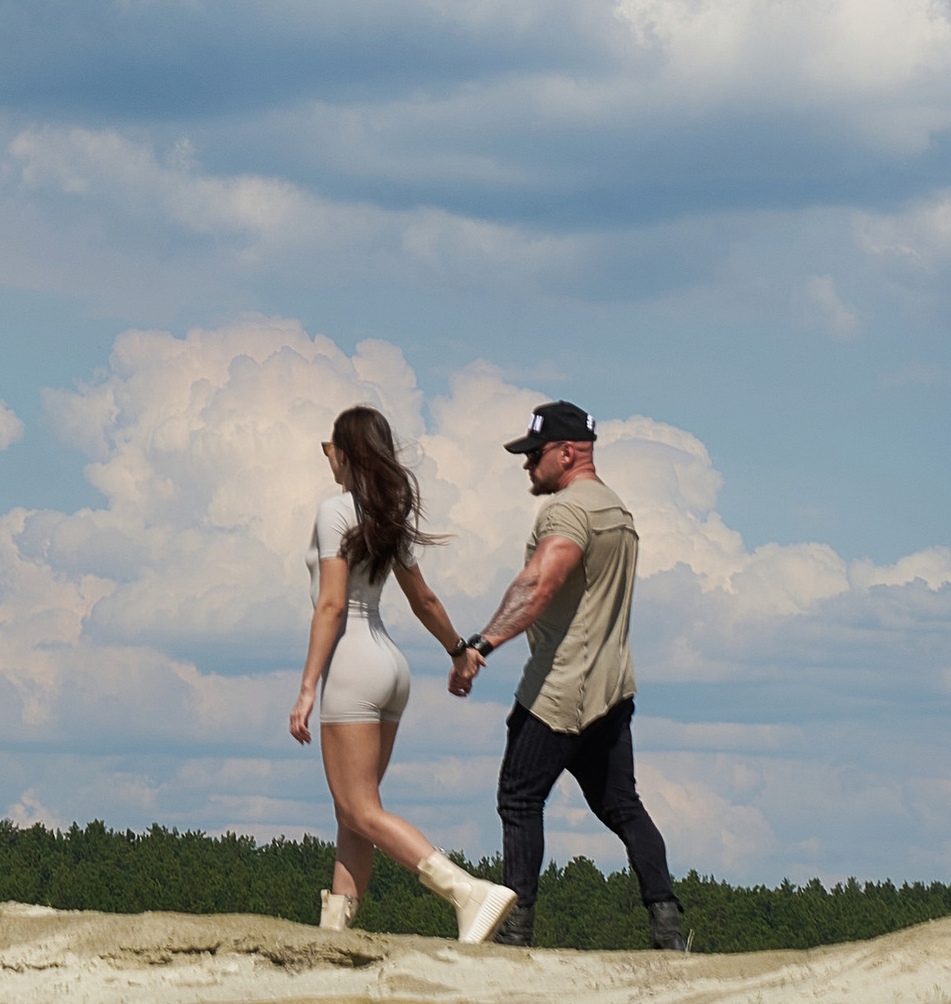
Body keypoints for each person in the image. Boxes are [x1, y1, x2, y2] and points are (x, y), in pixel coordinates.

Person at [448, 401, 688, 951]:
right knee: (622, 805)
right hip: (612, 687)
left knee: (518, 798)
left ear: (567, 452)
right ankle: (667, 923)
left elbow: (539, 583)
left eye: (534, 455)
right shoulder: (620, 514)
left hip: (560, 689)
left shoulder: (568, 513)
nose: (527, 465)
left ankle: (515, 927)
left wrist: (480, 644)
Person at [292, 404, 517, 944]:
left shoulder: (336, 511)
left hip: (351, 663)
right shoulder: (387, 515)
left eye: (329, 448)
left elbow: (330, 606)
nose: (327, 458)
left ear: (344, 453)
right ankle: (334, 933)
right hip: (391, 667)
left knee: (357, 807)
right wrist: (458, 650)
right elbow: (424, 599)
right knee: (355, 813)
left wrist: (306, 689)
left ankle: (467, 892)